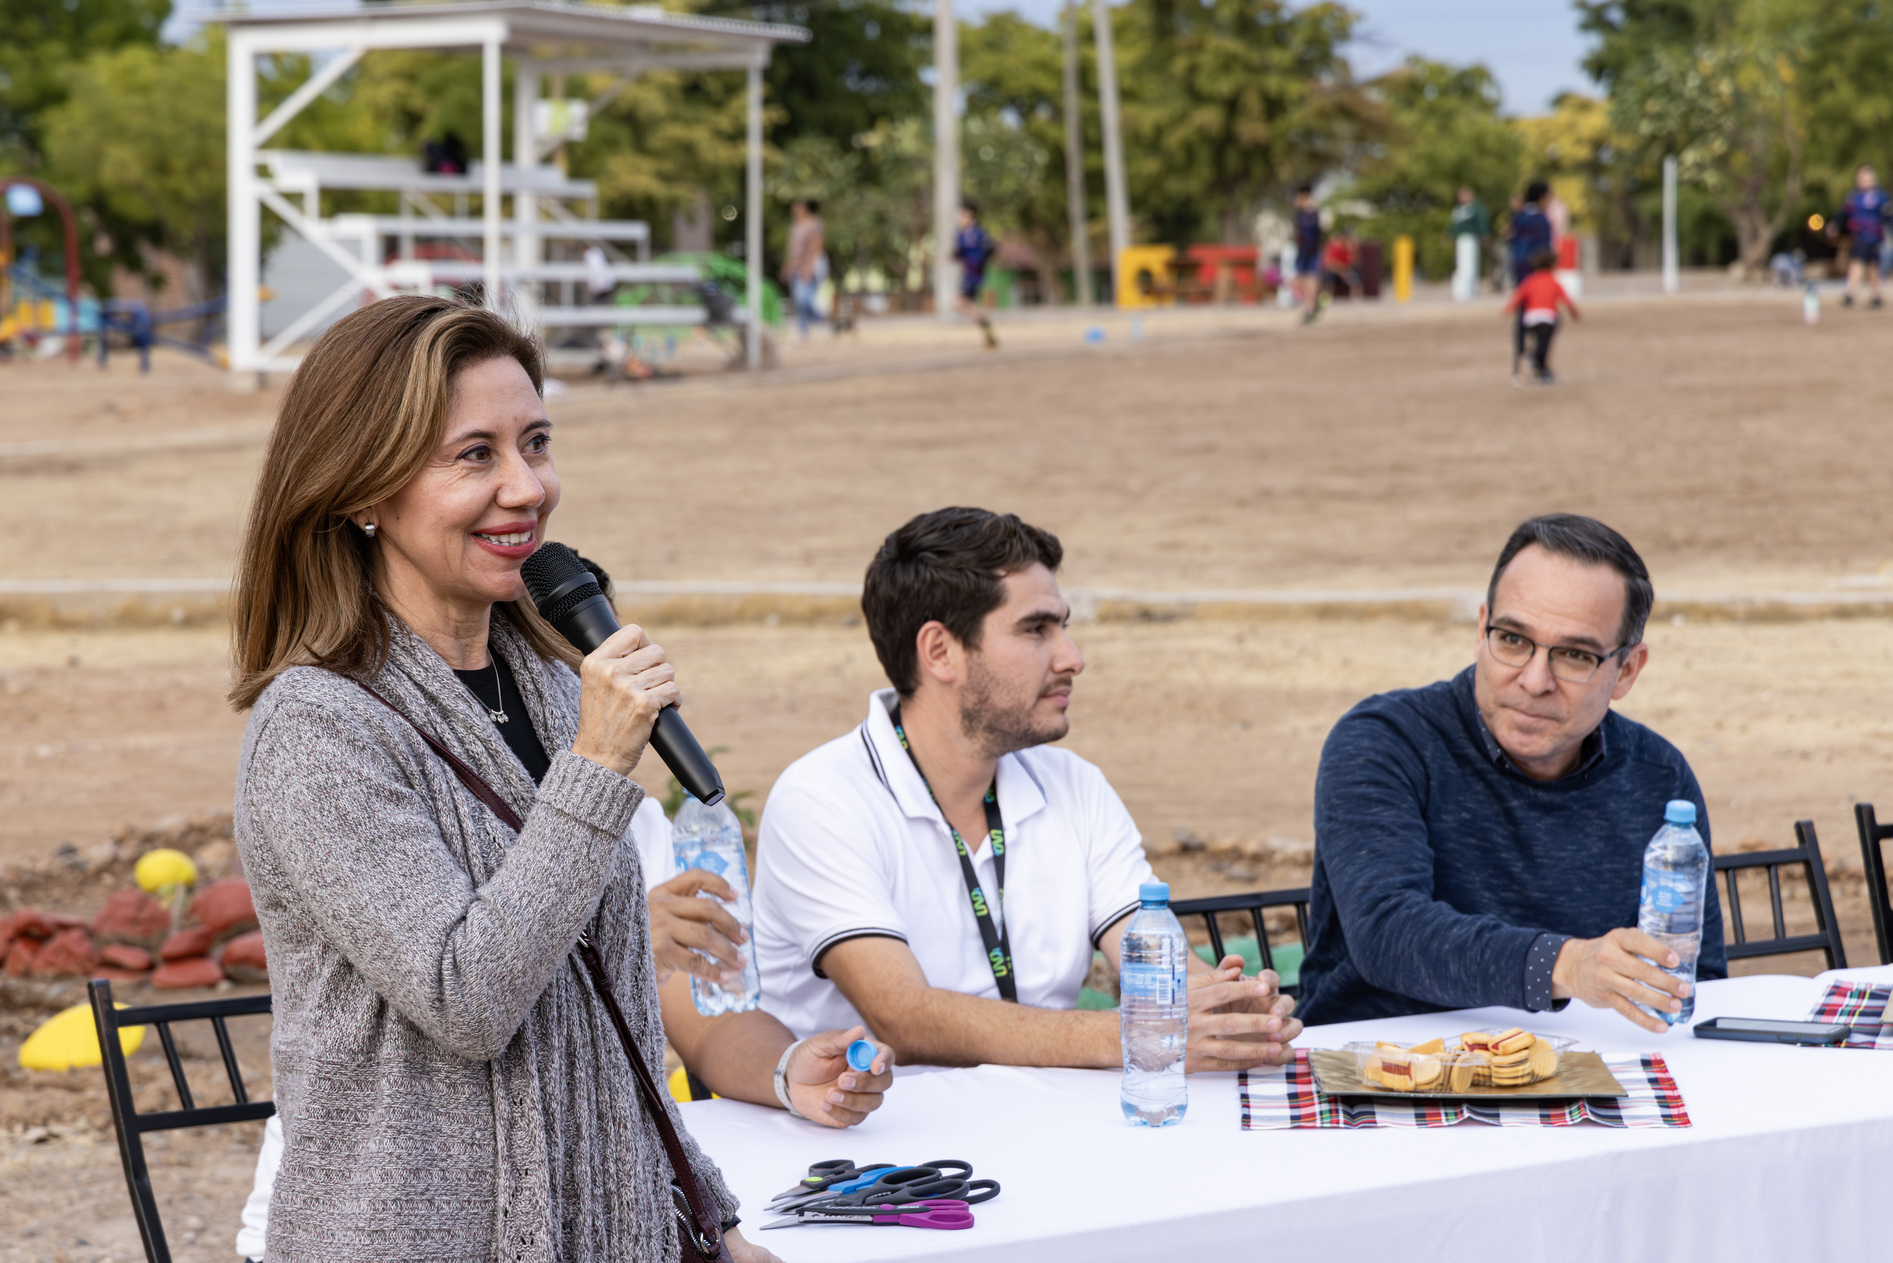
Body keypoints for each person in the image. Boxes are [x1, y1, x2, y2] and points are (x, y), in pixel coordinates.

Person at [229, 293, 838, 1263]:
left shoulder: (555, 689)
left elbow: (608, 1021)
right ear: (358, 490)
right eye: (475, 455)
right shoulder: (319, 732)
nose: (527, 488)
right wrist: (598, 765)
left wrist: (710, 1222)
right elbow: (468, 998)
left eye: (537, 442)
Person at [751, 507, 1301, 1072]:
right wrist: (1132, 1035)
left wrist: (1229, 1011)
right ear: (939, 651)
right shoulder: (820, 798)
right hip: (874, 1149)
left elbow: (1159, 968)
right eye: (1036, 629)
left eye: (1063, 626)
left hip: (1049, 1126)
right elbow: (902, 1018)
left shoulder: (1075, 784)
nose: (1073, 658)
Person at [1299, 514, 1727, 1032]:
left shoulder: (1658, 778)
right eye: (1513, 640)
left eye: (1574, 655)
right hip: (1378, 1075)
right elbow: (1387, 931)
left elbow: (1689, 978)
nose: (1535, 679)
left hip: (1592, 1077)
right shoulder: (1385, 742)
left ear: (1627, 670)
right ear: (1481, 631)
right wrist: (1567, 966)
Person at [1503, 248, 1580, 384]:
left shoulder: (1530, 281)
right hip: (1548, 318)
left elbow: (1518, 297)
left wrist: (1508, 309)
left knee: (1538, 343)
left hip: (1530, 319)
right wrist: (1575, 314)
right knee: (1544, 345)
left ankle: (1541, 368)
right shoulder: (1553, 281)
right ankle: (1540, 366)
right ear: (1552, 265)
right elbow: (1567, 301)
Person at [1828, 163, 1888, 308]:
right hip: (1860, 236)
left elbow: (1888, 216)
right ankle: (1853, 294)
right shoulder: (1854, 197)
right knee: (1857, 263)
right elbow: (1842, 213)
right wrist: (1834, 224)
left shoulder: (1881, 197)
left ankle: (1874, 295)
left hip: (1874, 237)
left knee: (1871, 266)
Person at [779, 199, 828, 339]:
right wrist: (787, 266)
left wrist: (808, 265)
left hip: (808, 266)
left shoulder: (814, 223)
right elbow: (793, 250)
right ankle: (803, 331)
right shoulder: (796, 226)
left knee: (804, 299)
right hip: (795, 266)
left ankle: (821, 321)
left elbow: (816, 245)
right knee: (798, 301)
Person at [952, 200, 999, 348]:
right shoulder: (965, 233)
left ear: (969, 214)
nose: (958, 217)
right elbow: (962, 252)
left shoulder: (974, 232)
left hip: (972, 274)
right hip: (970, 272)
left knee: (959, 303)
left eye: (960, 214)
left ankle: (985, 324)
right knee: (965, 303)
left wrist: (979, 264)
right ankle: (986, 331)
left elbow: (990, 248)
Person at [1448, 185, 1490, 302]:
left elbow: (1482, 223)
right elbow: (1454, 225)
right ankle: (1460, 291)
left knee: (1470, 264)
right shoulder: (1458, 209)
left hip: (1471, 238)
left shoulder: (1475, 208)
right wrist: (1449, 234)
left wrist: (1484, 235)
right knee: (1462, 264)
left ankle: (1469, 290)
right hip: (1460, 239)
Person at [1291, 184, 1324, 324]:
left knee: (1310, 280)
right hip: (1302, 251)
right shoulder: (1299, 215)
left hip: (1311, 251)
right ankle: (1313, 306)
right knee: (1299, 281)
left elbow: (1315, 233)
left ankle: (1310, 309)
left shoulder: (1313, 214)